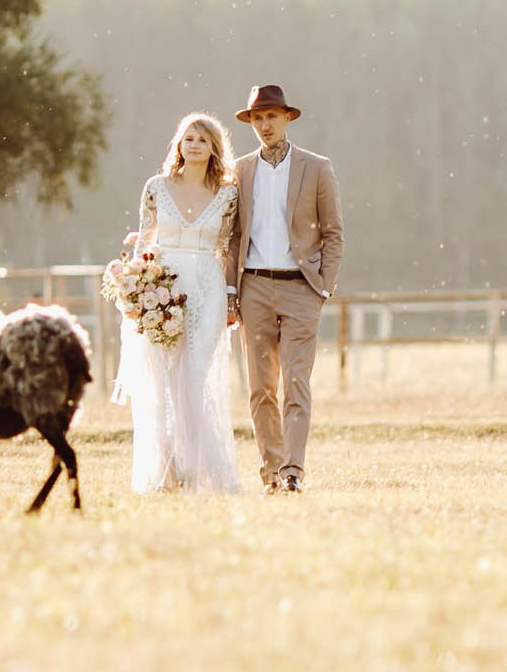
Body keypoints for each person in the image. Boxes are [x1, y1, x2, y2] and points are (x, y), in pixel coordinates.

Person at [114, 113, 242, 493]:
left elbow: (228, 247)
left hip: (206, 286)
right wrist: (134, 289)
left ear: (214, 148)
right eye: (188, 138)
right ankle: (166, 471)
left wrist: (232, 296)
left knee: (194, 377)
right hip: (162, 287)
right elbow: (143, 243)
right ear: (179, 145)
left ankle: (198, 469)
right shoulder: (156, 186)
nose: (194, 145)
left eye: (202, 139)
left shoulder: (228, 193)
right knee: (163, 379)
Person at [224, 84, 342, 494]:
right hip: (253, 286)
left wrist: (323, 287)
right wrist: (229, 292)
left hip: (301, 288)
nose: (264, 125)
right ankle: (271, 471)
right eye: (257, 118)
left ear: (287, 118)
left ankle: (293, 470)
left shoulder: (316, 167)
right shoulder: (240, 171)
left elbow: (333, 232)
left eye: (271, 117)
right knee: (260, 387)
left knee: (296, 382)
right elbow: (235, 236)